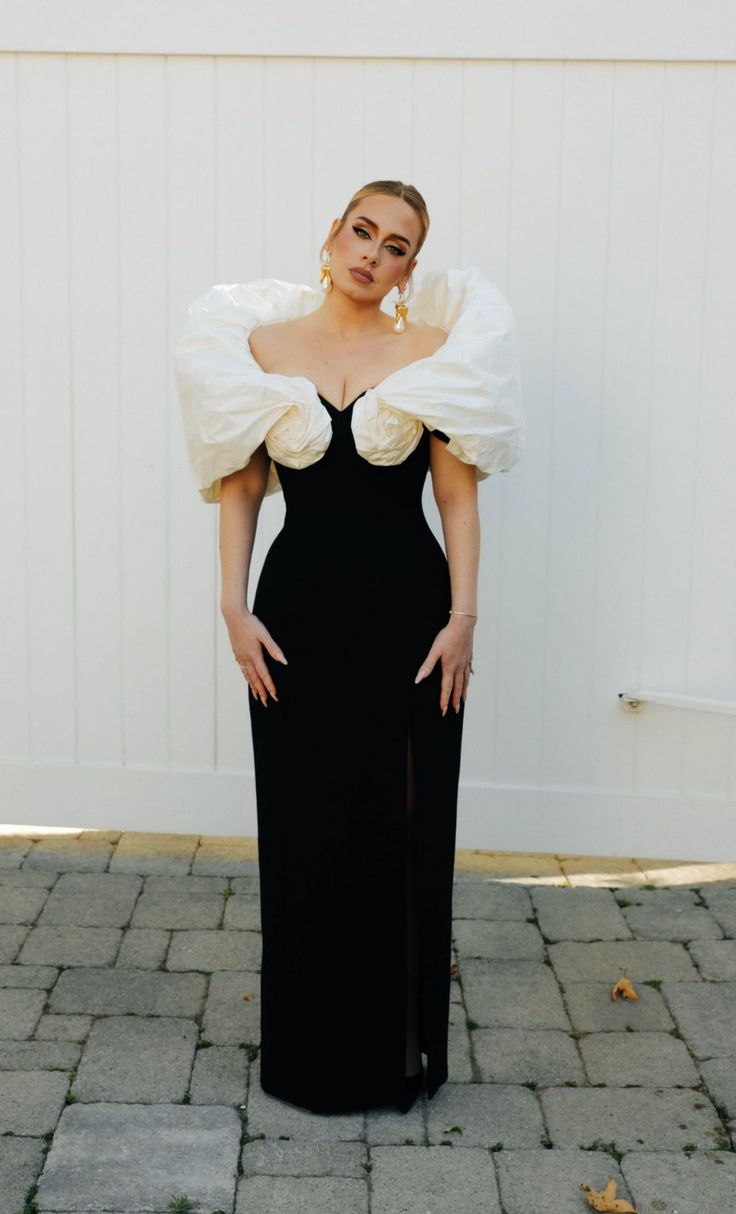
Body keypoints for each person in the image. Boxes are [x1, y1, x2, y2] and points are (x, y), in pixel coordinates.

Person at [174, 180, 525, 1116]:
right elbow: (242, 489)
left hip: (410, 624)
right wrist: (231, 607)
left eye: (398, 245)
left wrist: (463, 619)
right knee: (303, 827)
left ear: (413, 267)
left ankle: (394, 1053)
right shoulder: (261, 349)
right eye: (362, 231)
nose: (374, 252)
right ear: (330, 236)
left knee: (400, 824)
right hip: (292, 620)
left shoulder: (433, 355)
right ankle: (306, 1052)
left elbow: (456, 498)